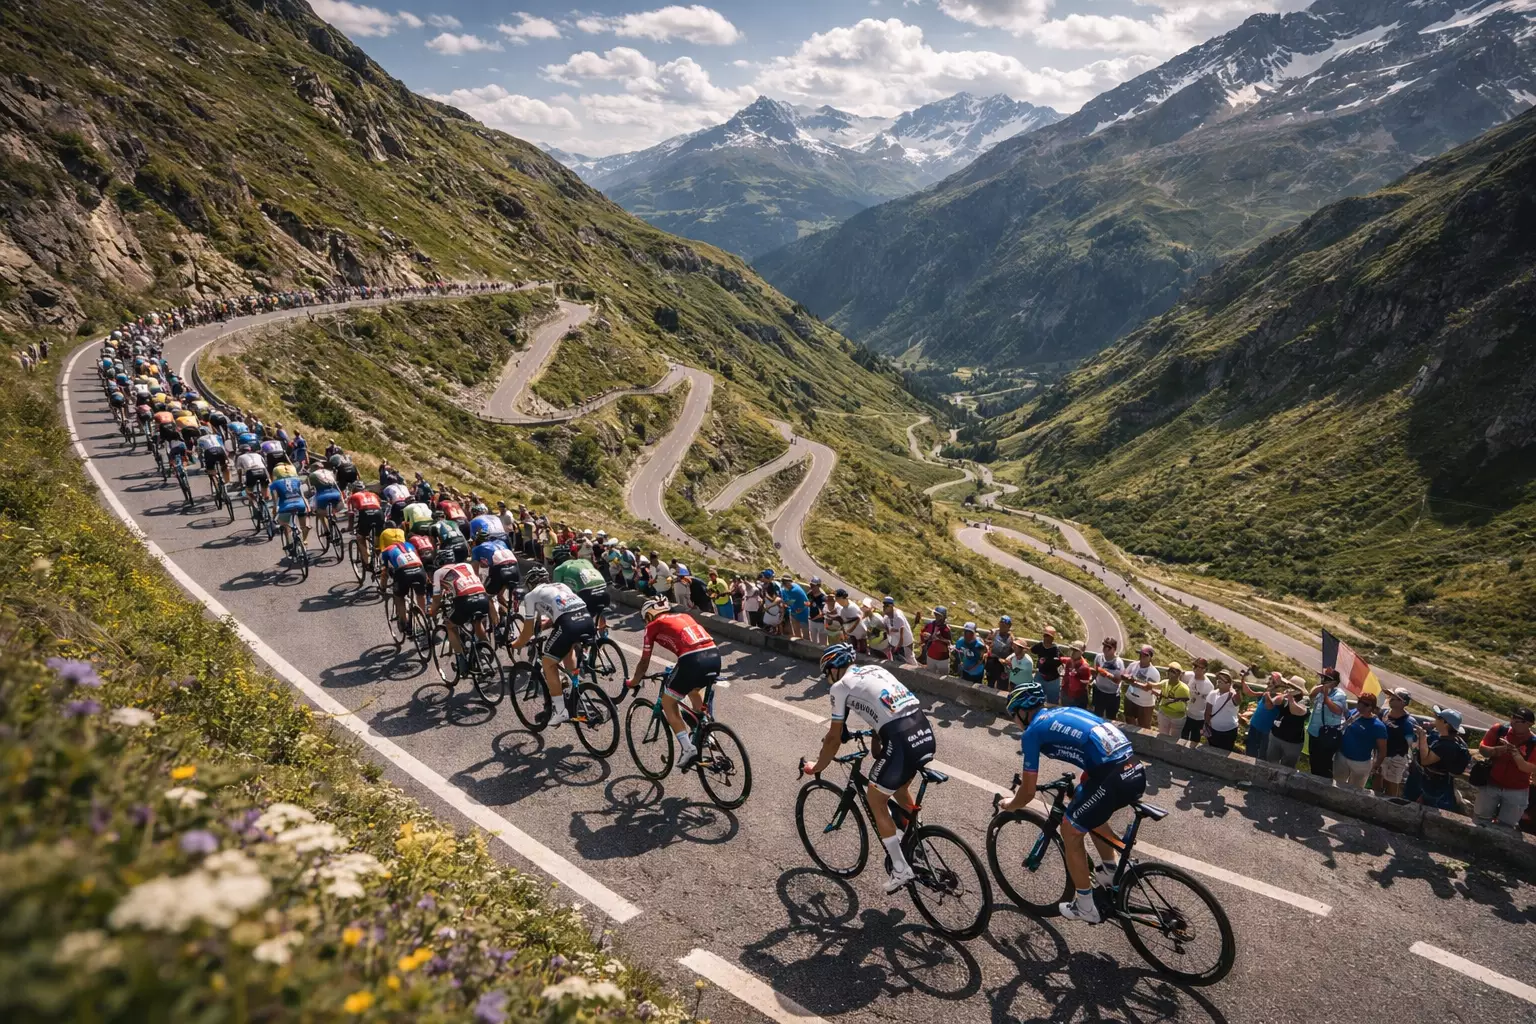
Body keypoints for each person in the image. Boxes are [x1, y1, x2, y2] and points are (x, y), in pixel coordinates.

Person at [996, 681, 1145, 924]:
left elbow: (1028, 792)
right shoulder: (1064, 711)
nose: (1014, 720)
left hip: (1111, 776)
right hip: (1133, 768)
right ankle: (1112, 870)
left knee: (1070, 830)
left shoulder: (1032, 732)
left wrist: (1010, 805)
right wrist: (1083, 787)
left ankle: (1085, 906)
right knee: (1087, 811)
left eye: (1013, 715)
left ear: (1023, 711)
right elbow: (1098, 749)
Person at [800, 644, 935, 894]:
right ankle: (916, 841)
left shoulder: (840, 687)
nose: (827, 678)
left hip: (901, 741)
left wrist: (816, 766)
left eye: (827, 673)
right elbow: (884, 706)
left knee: (875, 799)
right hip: (923, 730)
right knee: (898, 788)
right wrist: (876, 742)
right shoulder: (875, 669)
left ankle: (900, 869)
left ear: (834, 668)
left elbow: (833, 738)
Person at [626, 600, 721, 773]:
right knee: (693, 689)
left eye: (645, 619)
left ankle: (688, 749)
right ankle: (708, 733)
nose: (646, 622)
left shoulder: (653, 625)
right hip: (714, 655)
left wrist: (633, 682)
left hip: (692, 660)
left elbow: (644, 662)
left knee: (668, 702)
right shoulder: (684, 615)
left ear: (649, 615)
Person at [507, 565, 594, 727]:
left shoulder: (531, 595)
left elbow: (527, 632)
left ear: (531, 583)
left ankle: (560, 711)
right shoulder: (561, 586)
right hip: (587, 619)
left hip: (568, 625)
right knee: (567, 651)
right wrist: (548, 624)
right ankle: (574, 689)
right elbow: (564, 610)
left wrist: (515, 644)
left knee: (548, 663)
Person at [428, 559, 495, 678]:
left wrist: (431, 612)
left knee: (450, 626)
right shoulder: (466, 565)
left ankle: (461, 661)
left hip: (465, 601)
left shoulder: (438, 573)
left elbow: (436, 600)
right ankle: (484, 653)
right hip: (482, 598)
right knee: (477, 622)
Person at [1474, 707, 1536, 828]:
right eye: (1513, 717)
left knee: (1506, 826)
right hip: (1491, 783)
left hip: (1517, 790)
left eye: (1519, 720)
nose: (1514, 721)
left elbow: (1528, 768)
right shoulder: (1499, 730)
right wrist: (1496, 750)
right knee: (1480, 819)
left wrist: (1515, 753)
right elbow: (1483, 750)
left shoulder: (1533, 743)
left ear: (1529, 724)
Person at [1413, 706, 1470, 811]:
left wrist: (1422, 737)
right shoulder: (1453, 740)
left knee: (1428, 810)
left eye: (1439, 718)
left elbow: (1425, 761)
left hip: (1434, 786)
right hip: (1439, 783)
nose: (1435, 719)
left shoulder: (1445, 746)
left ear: (1445, 723)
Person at [380, 529, 429, 641]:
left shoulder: (386, 551)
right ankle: (423, 618)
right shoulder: (409, 544)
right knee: (420, 594)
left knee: (399, 597)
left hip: (403, 572)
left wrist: (383, 587)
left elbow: (384, 572)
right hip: (419, 569)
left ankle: (404, 623)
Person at [1335, 692, 1388, 789]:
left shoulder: (1378, 726)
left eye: (1365, 704)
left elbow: (1382, 751)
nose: (1361, 705)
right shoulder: (1353, 713)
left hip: (1361, 763)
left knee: (1356, 789)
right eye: (1360, 701)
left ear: (1371, 708)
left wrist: (1376, 766)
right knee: (1337, 785)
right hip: (1342, 757)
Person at [553, 547, 609, 631]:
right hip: (605, 591)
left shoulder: (559, 569)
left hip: (587, 594)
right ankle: (603, 631)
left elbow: (557, 593)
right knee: (599, 608)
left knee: (577, 617)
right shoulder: (585, 561)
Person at [1307, 669, 1350, 780]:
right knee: (1314, 761)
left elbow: (1337, 710)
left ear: (1334, 682)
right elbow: (1311, 695)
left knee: (1324, 765)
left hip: (1327, 735)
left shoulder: (1339, 695)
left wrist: (1326, 697)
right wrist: (1319, 688)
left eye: (1326, 679)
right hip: (1314, 732)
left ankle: (1323, 785)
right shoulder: (1320, 690)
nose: (1323, 680)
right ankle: (1313, 781)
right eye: (1323, 678)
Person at [1378, 689, 1418, 797]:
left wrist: (1414, 761)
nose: (1391, 699)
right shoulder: (1384, 713)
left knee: (1391, 786)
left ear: (1403, 703)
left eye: (1396, 698)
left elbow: (1413, 745)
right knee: (1377, 781)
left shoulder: (1409, 723)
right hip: (1380, 755)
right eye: (1391, 697)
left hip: (1396, 759)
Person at [1264, 682, 1310, 767]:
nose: (1288, 689)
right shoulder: (1284, 697)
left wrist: (1290, 698)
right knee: (1271, 762)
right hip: (1276, 736)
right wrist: (1269, 696)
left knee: (1287, 767)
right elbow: (1269, 705)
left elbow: (1296, 711)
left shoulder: (1304, 700)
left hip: (1292, 742)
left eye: (1292, 688)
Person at [268, 464, 310, 549]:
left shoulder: (274, 484)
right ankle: (304, 540)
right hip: (300, 504)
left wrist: (274, 510)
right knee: (303, 525)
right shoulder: (297, 480)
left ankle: (288, 543)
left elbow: (275, 498)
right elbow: (303, 494)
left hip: (285, 507)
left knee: (285, 524)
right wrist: (308, 506)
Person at [1122, 645, 1162, 728]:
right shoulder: (1133, 665)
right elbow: (1124, 674)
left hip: (1145, 703)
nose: (1142, 656)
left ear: (1150, 657)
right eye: (1141, 654)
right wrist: (1127, 677)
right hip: (1130, 698)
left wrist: (1135, 683)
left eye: (1145, 655)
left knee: (1144, 726)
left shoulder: (1154, 673)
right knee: (1129, 720)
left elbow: (1154, 689)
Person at [1180, 659, 1215, 746]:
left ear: (1205, 670)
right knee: (1183, 737)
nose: (1197, 669)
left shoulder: (1209, 686)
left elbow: (1210, 705)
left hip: (1199, 718)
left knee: (1195, 739)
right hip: (1186, 713)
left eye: (1201, 667)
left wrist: (1207, 720)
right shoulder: (1189, 675)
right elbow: (1179, 677)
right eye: (1195, 666)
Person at [1203, 671, 1241, 750]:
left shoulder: (1233, 695)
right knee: (1212, 749)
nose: (1219, 680)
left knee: (1225, 751)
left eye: (1222, 679)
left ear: (1229, 684)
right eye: (1218, 678)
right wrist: (1206, 725)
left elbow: (1238, 701)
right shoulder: (1213, 694)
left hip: (1229, 731)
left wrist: (1238, 691)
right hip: (1213, 730)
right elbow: (1208, 710)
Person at [1091, 638, 1125, 720]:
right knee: (1097, 715)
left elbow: (1118, 680)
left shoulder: (1119, 663)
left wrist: (1107, 675)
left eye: (1108, 647)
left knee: (1111, 717)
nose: (1105, 649)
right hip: (1099, 691)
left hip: (1112, 694)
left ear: (1114, 649)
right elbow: (1095, 671)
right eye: (1104, 646)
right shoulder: (1099, 657)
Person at [306, 462, 343, 537]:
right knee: (332, 510)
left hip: (322, 496)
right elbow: (335, 484)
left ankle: (326, 530)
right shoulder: (330, 472)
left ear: (315, 468)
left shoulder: (312, 475)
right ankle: (332, 517)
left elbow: (310, 489)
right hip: (336, 494)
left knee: (319, 513)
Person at [1030, 626, 1063, 705]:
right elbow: (1032, 650)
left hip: (1052, 679)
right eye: (1045, 635)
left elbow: (1060, 661)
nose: (1046, 638)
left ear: (1053, 638)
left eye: (1049, 636)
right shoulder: (1040, 645)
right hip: (1040, 675)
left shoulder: (1056, 649)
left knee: (1052, 702)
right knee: (1036, 698)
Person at [1155, 663, 1190, 738]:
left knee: (1174, 738)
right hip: (1164, 713)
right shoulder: (1165, 682)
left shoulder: (1183, 688)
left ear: (1179, 674)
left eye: (1173, 672)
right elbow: (1154, 686)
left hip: (1177, 717)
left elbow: (1184, 701)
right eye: (1169, 671)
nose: (1170, 673)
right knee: (1162, 736)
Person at [983, 616, 1014, 689]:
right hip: (991, 662)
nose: (1002, 627)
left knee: (1002, 686)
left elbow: (1014, 652)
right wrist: (986, 652)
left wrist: (1008, 660)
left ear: (1009, 626)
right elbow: (986, 643)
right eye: (1001, 624)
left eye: (1004, 626)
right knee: (990, 683)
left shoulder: (1011, 638)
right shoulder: (994, 633)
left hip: (1003, 666)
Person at [882, 597, 915, 665]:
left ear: (892, 606)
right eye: (884, 606)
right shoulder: (886, 618)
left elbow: (901, 638)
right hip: (895, 641)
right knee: (897, 659)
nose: (884, 607)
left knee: (909, 659)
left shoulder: (898, 617)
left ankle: (915, 668)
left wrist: (897, 648)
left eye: (887, 605)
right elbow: (887, 631)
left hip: (905, 641)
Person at [1060, 642, 1092, 709]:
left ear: (1081, 652)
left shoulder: (1084, 668)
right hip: (1065, 694)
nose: (1073, 652)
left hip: (1076, 699)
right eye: (1072, 649)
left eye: (1075, 650)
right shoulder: (1069, 661)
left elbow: (1083, 687)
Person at [920, 607, 952, 672]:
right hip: (931, 655)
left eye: (939, 615)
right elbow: (922, 633)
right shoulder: (930, 624)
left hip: (942, 658)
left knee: (943, 675)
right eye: (936, 614)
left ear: (943, 617)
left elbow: (949, 642)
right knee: (930, 673)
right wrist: (923, 639)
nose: (937, 617)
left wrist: (940, 638)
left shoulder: (946, 629)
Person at [782, 575, 810, 640]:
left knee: (805, 634)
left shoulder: (794, 591)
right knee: (796, 632)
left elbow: (789, 602)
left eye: (789, 583)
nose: (788, 584)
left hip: (803, 613)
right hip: (794, 612)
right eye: (786, 583)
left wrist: (782, 603)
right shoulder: (785, 589)